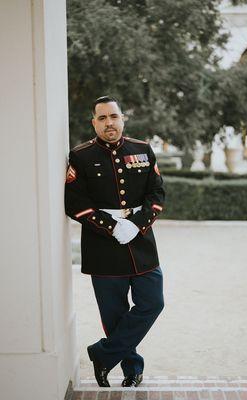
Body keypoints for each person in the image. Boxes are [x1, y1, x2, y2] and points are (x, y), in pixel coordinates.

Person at [64, 96, 165, 388]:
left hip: (141, 242)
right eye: (103, 118)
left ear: (123, 119)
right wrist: (111, 227)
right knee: (114, 314)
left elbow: (156, 195)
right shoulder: (80, 156)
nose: (110, 123)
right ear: (94, 122)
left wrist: (136, 225)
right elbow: (76, 203)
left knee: (153, 302)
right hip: (102, 247)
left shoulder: (143, 150)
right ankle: (132, 369)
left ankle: (102, 354)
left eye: (114, 116)